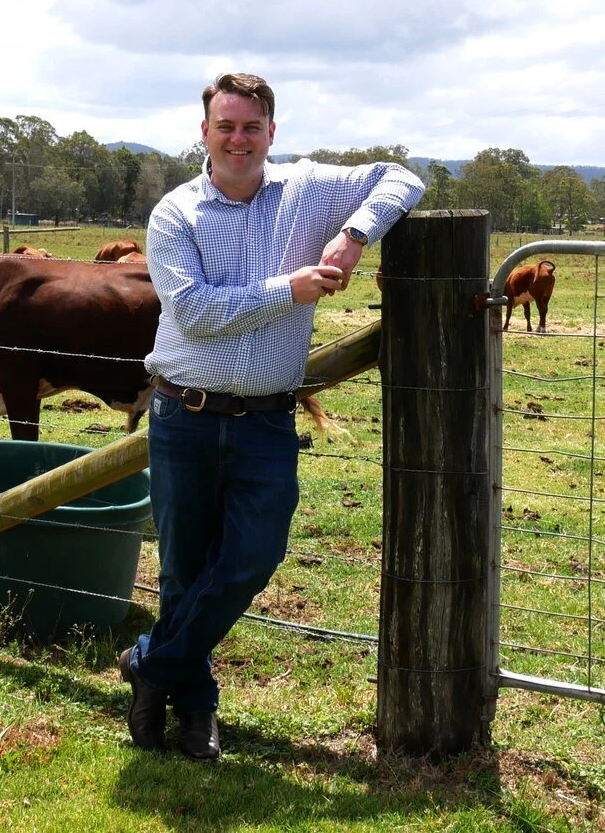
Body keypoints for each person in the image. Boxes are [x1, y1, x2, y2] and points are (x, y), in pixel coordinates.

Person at [120, 73, 425, 760]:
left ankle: (151, 664)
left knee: (253, 558)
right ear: (203, 132)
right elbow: (193, 313)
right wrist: (288, 292)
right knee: (185, 571)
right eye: (225, 126)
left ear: (271, 133)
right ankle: (194, 710)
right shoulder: (175, 214)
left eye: (251, 127)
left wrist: (351, 237)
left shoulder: (308, 190)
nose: (238, 139)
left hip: (264, 422)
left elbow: (402, 180)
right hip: (185, 416)